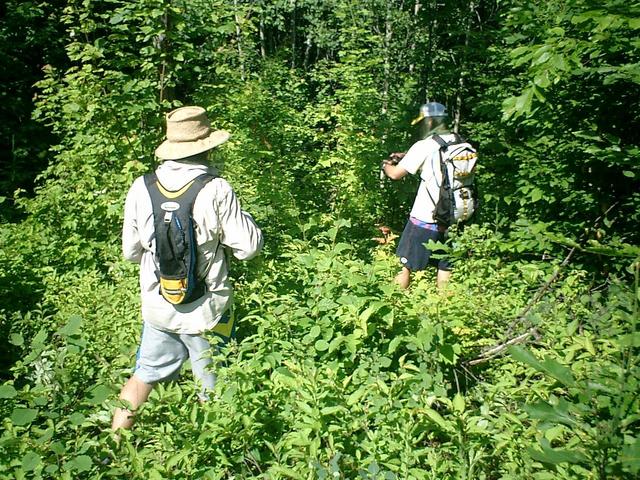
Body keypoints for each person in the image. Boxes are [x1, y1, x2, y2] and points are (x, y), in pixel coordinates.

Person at [112, 106, 263, 432]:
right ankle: (219, 455)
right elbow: (248, 248)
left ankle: (113, 447)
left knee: (144, 375)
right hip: (208, 311)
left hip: (159, 307)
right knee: (215, 387)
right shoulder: (217, 188)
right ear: (207, 146)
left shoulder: (142, 186)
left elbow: (130, 251)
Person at [382, 101, 455, 290]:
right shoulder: (460, 143)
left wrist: (386, 165)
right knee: (445, 266)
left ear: (430, 122)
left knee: (404, 264)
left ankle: (395, 303)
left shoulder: (424, 145)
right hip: (455, 220)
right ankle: (444, 310)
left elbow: (395, 174)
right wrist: (407, 155)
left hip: (425, 219)